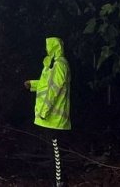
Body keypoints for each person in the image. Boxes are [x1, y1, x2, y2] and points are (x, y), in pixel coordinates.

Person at [24, 36, 71, 187]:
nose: (45, 49)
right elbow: (46, 84)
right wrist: (32, 84)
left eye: (47, 46)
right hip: (49, 118)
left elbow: (53, 90)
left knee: (55, 153)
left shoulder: (60, 65)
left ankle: (59, 182)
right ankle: (55, 180)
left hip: (54, 119)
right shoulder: (53, 64)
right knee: (51, 151)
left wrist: (44, 111)